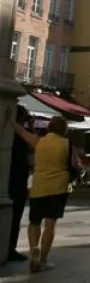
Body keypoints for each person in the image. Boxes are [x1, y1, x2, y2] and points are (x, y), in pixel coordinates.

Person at [13, 115, 75, 273]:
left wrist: (9, 119)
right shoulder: (67, 144)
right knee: (50, 223)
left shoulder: (39, 141)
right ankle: (43, 259)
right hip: (58, 187)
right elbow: (75, 165)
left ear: (49, 128)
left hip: (38, 186)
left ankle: (34, 248)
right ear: (64, 130)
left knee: (34, 222)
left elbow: (21, 132)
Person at [7, 105, 31, 262]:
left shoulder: (10, 135)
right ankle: (10, 249)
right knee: (15, 218)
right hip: (17, 183)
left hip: (13, 181)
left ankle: (10, 248)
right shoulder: (22, 137)